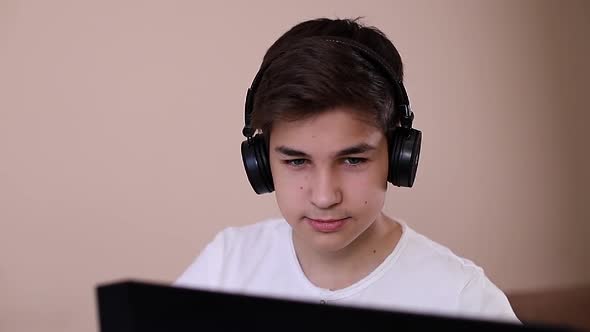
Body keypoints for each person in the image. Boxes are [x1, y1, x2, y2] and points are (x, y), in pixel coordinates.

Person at [174, 17, 520, 323]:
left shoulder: (463, 298)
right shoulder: (225, 266)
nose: (325, 197)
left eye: (353, 160)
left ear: (398, 154)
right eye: (297, 161)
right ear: (261, 162)